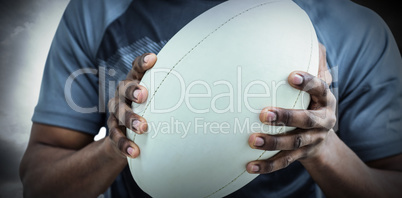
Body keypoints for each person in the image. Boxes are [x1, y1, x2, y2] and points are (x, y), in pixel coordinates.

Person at [19, 0, 402, 197]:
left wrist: (321, 147)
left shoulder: (353, 29)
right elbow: (38, 183)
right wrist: (116, 145)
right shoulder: (97, 11)